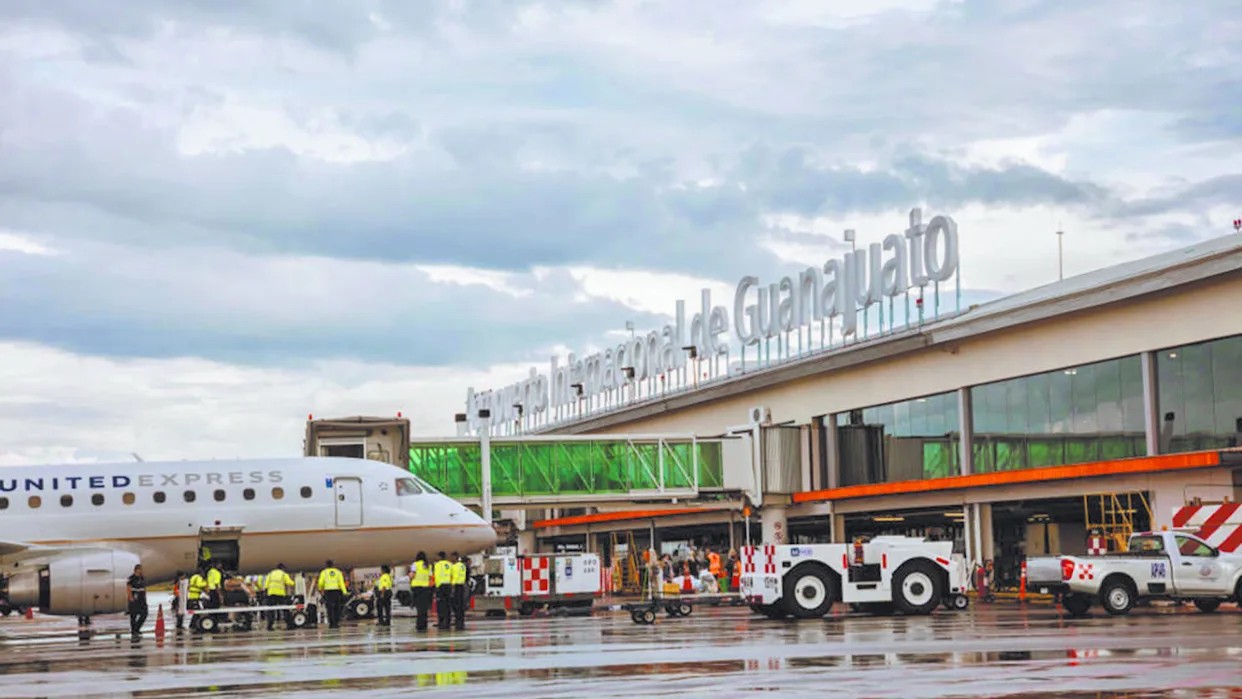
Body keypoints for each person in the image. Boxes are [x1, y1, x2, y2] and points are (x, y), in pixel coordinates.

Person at [317, 560, 348, 629]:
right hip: (336, 591)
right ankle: (336, 623)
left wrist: (320, 588)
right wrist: (345, 592)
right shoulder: (338, 572)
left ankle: (331, 623)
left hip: (328, 591)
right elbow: (341, 583)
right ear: (333, 565)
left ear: (326, 565)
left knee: (329, 608)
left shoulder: (324, 572)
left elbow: (320, 582)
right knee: (337, 607)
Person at [264, 563, 295, 630]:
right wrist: (294, 583)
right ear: (283, 568)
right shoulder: (284, 574)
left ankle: (269, 626)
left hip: (271, 593)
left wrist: (266, 592)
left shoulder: (271, 574)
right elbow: (289, 582)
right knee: (285, 609)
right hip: (280, 594)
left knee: (271, 610)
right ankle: (289, 624)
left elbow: (266, 584)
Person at [409, 552, 433, 631]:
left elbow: (412, 575)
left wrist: (409, 577)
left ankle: (419, 625)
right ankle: (424, 625)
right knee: (424, 608)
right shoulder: (428, 565)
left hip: (417, 587)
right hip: (425, 588)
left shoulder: (415, 564)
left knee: (419, 608)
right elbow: (430, 577)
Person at [125, 564, 148, 638]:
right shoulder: (131, 578)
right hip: (134, 598)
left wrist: (145, 597)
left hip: (141, 598)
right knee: (133, 615)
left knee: (144, 614)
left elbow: (144, 588)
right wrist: (130, 597)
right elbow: (128, 588)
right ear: (136, 570)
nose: (141, 571)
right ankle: (134, 631)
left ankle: (137, 628)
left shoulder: (142, 578)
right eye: (140, 569)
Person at [449, 552, 468, 631]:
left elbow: (451, 576)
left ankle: (458, 620)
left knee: (456, 604)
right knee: (461, 605)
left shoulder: (454, 566)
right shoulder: (463, 565)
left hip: (456, 586)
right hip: (462, 585)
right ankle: (461, 621)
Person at [433, 551, 452, 630]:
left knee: (440, 605)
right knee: (448, 604)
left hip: (440, 586)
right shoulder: (449, 564)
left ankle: (441, 621)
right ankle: (448, 621)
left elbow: (436, 575)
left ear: (440, 557)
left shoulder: (437, 565)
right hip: (448, 585)